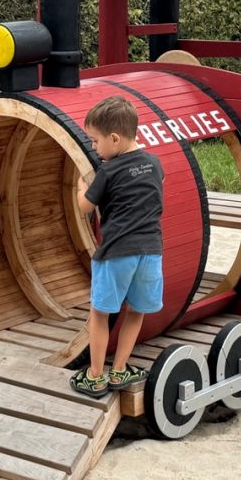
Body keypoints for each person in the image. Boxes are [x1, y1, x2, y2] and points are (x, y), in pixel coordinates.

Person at [71, 96, 164, 398]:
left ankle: (96, 377)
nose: (95, 148)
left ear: (114, 138)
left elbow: (86, 207)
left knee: (100, 314)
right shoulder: (154, 163)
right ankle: (121, 369)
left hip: (116, 253)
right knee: (136, 311)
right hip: (150, 251)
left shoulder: (108, 171)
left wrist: (81, 189)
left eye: (95, 141)